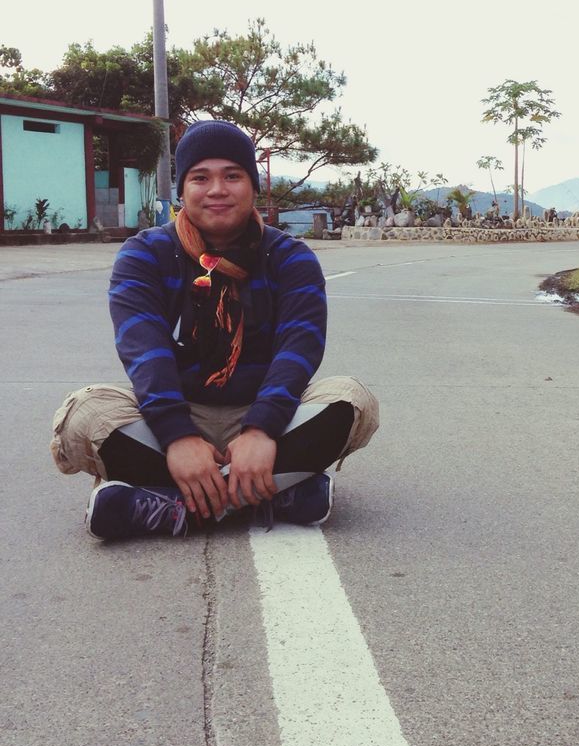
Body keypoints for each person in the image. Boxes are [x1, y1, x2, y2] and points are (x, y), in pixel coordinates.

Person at [50, 120, 379, 540]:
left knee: (352, 400)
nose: (217, 189)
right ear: (183, 189)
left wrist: (261, 430)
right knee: (83, 415)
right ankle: (274, 493)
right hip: (172, 411)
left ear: (252, 187)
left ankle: (170, 506)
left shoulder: (290, 257)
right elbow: (145, 350)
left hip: (266, 414)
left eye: (233, 176)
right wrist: (178, 437)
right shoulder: (145, 254)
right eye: (200, 177)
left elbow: (299, 348)